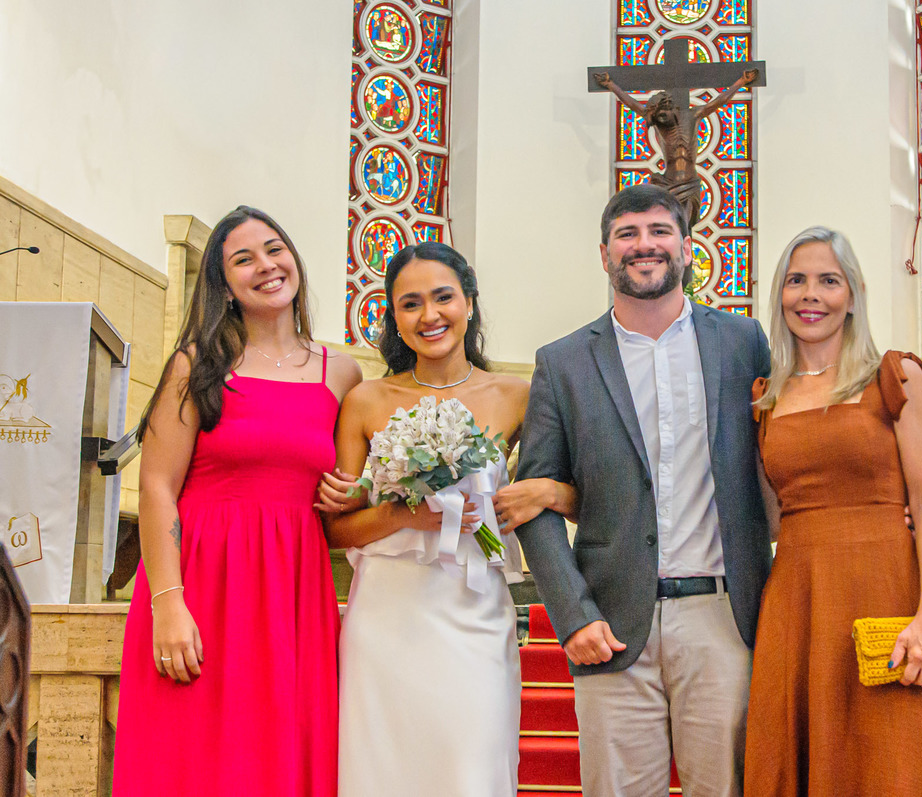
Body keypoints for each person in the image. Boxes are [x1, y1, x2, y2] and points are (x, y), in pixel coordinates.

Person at [515, 183, 773, 796]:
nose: (644, 245)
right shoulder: (564, 362)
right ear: (603, 254)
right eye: (627, 235)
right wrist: (573, 615)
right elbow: (532, 497)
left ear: (687, 247)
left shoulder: (743, 343)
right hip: (610, 622)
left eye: (659, 231)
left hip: (723, 616)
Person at [112, 206, 362, 796]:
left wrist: (351, 491)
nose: (266, 266)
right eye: (243, 259)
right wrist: (168, 604)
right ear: (224, 286)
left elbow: (351, 487)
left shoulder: (341, 374)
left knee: (282, 756)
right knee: (189, 758)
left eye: (275, 249)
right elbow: (156, 487)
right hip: (203, 584)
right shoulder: (196, 366)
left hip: (292, 591)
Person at [326, 241, 575, 796]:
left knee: (472, 768)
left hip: (474, 609)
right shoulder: (366, 401)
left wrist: (547, 491)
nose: (430, 315)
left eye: (443, 298)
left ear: (469, 303)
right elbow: (337, 530)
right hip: (386, 618)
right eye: (410, 303)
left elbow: (570, 493)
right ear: (393, 316)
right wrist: (403, 515)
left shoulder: (516, 395)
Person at [743, 226, 922, 796]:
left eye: (829, 280)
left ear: (854, 293)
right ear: (778, 294)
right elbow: (765, 516)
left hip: (887, 593)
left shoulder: (895, 377)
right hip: (798, 603)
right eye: (796, 281)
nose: (811, 295)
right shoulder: (765, 399)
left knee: (895, 762)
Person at [593, 69, 759, 228]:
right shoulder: (658, 122)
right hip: (669, 183)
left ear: (671, 107)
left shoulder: (693, 115)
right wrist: (610, 85)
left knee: (683, 227)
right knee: (671, 227)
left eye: (663, 115)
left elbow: (720, 101)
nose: (661, 120)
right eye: (657, 118)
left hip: (689, 183)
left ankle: (682, 255)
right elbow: (632, 103)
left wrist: (741, 81)